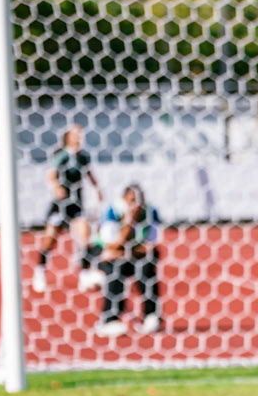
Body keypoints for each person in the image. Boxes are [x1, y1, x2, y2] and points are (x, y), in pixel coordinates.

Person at [33, 125, 101, 295]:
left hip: (76, 205)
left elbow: (89, 174)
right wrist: (55, 186)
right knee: (50, 239)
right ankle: (40, 271)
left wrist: (98, 189)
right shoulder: (61, 155)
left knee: (84, 236)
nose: (79, 136)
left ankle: (84, 275)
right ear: (67, 136)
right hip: (60, 205)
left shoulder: (83, 157)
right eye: (75, 133)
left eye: (80, 133)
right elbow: (51, 176)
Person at [97, 184, 162, 337]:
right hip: (110, 259)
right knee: (115, 269)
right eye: (131, 200)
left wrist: (125, 252)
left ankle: (151, 316)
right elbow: (109, 247)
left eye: (139, 200)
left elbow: (151, 247)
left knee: (147, 266)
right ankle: (109, 320)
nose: (136, 205)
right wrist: (129, 223)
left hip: (133, 256)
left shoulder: (151, 212)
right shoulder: (112, 212)